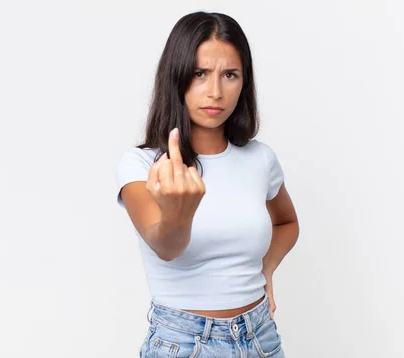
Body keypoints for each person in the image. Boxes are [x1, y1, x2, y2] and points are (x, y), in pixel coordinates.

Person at [115, 11, 299, 358]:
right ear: (178, 76)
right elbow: (164, 247)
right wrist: (178, 215)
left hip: (260, 336)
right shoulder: (143, 165)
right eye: (200, 74)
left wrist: (266, 268)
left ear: (244, 83)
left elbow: (287, 223)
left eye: (229, 75)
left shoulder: (260, 159)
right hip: (185, 343)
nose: (215, 91)